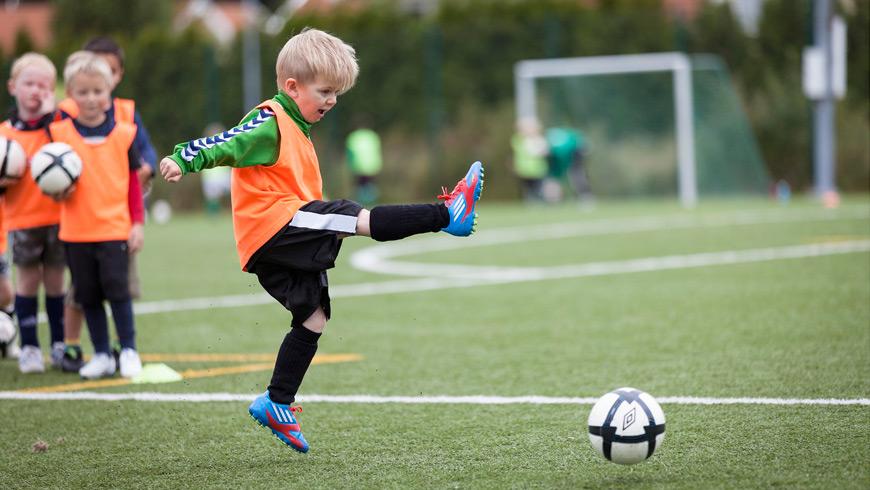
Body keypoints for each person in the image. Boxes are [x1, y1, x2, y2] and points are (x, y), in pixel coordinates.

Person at [159, 28, 484, 453]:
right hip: (275, 224)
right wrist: (184, 158)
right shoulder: (271, 119)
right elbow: (227, 143)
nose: (331, 101)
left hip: (275, 237)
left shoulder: (297, 124)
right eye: (325, 91)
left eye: (337, 94)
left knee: (314, 316)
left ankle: (277, 402)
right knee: (352, 217)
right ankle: (447, 214)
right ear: (292, 87)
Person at [56, 36, 158, 372]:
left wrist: (137, 224)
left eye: (98, 91)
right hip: (75, 232)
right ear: (70, 94)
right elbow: (50, 182)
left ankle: (127, 349)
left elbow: (132, 184)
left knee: (119, 292)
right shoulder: (59, 135)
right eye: (82, 92)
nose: (90, 98)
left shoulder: (123, 134)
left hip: (114, 230)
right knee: (88, 296)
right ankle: (101, 353)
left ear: (109, 92)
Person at [0, 52, 67, 373]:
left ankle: (58, 344)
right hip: (22, 220)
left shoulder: (58, 127)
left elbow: (71, 158)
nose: (36, 91)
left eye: (44, 85)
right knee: (26, 284)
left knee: (55, 284)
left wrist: (51, 117)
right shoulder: (4, 135)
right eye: (29, 83)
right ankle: (28, 347)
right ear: (13, 86)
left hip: (58, 218)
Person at [545, 126, 592, 203]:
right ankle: (553, 199)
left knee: (577, 176)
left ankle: (585, 196)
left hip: (573, 159)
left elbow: (584, 148)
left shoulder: (571, 142)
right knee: (553, 179)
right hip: (557, 161)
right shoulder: (552, 142)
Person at [345, 120, 383, 206]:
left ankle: (362, 204)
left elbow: (350, 152)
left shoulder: (353, 136)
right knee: (371, 184)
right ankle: (372, 202)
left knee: (360, 185)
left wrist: (350, 163)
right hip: (373, 164)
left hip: (359, 165)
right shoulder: (373, 135)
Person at [510, 117, 548, 202]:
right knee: (528, 188)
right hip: (524, 169)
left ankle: (538, 201)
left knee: (538, 187)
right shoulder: (519, 139)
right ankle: (530, 201)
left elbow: (545, 151)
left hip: (538, 169)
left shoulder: (540, 139)